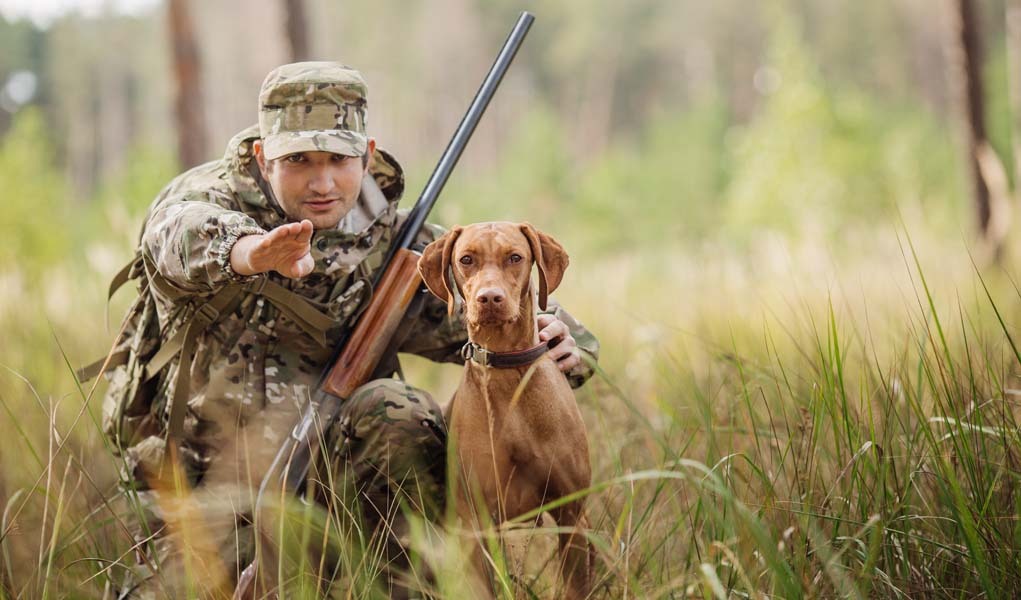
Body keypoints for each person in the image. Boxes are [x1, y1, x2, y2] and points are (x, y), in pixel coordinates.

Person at [102, 61, 598, 597]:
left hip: (336, 480)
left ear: (365, 154)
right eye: (298, 160)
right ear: (263, 157)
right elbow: (180, 235)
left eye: (338, 159)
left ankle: (405, 585)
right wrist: (251, 252)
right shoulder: (203, 200)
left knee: (398, 409)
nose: (322, 182)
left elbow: (501, 304)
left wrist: (570, 345)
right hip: (203, 492)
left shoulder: (392, 240)